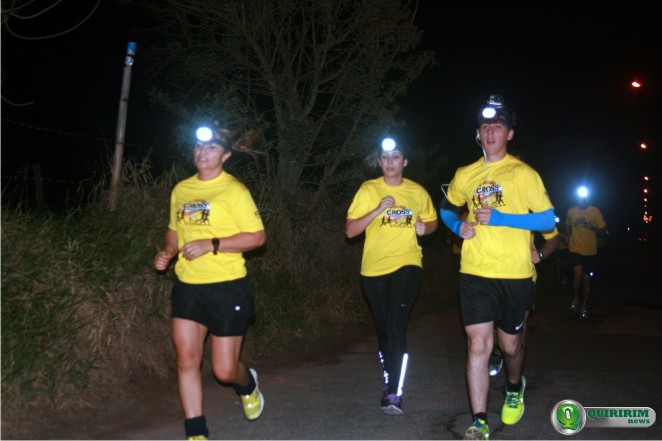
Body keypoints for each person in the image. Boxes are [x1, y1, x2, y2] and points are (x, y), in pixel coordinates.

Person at [440, 95, 556, 440]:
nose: (491, 132)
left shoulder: (524, 174)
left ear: (510, 134)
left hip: (515, 274)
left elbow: (549, 219)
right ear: (478, 133)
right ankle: (478, 421)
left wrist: (502, 217)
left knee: (510, 348)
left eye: (498, 126)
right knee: (478, 346)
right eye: (486, 126)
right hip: (475, 272)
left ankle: (514, 385)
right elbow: (446, 209)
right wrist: (457, 227)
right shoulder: (466, 174)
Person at [153, 120, 267, 440]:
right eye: (199, 146)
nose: (203, 152)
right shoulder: (182, 189)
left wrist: (212, 244)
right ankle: (196, 432)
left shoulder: (234, 190)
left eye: (212, 147)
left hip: (227, 285)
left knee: (223, 371)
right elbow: (174, 230)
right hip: (188, 286)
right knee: (187, 359)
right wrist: (168, 250)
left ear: (226, 155)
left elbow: (258, 237)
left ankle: (248, 384)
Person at [345, 137, 438, 416]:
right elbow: (350, 231)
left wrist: (425, 228)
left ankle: (394, 392)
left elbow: (431, 221)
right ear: (379, 161)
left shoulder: (417, 192)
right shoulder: (368, 189)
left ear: (405, 161)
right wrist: (377, 210)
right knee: (385, 328)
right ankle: (389, 375)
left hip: (408, 263)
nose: (389, 162)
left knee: (396, 326)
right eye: (385, 157)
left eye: (396, 156)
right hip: (373, 269)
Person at [565, 186, 607, 319]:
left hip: (590, 251)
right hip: (575, 249)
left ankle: (584, 306)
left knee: (587, 280)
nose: (582, 200)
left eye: (584, 198)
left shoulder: (595, 211)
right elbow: (567, 224)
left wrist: (592, 228)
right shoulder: (571, 211)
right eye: (580, 198)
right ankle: (576, 299)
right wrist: (567, 235)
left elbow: (603, 230)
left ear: (587, 199)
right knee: (577, 274)